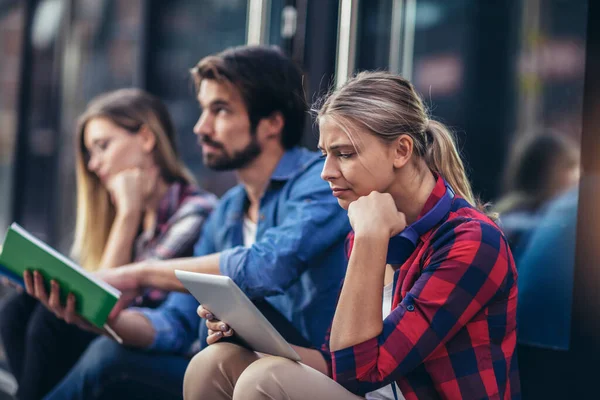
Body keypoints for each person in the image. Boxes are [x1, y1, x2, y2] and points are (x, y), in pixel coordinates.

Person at [28, 46, 350, 400]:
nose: (201, 127)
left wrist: (141, 273)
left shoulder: (320, 184)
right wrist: (107, 321)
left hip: (314, 374)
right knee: (53, 323)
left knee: (110, 361)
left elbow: (267, 266)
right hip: (232, 368)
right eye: (203, 110)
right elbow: (177, 324)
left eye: (221, 110)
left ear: (273, 122)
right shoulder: (227, 212)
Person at [183, 71, 521, 400]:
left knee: (265, 380)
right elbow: (337, 362)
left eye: (344, 154)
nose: (326, 173)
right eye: (324, 154)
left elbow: (358, 373)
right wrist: (250, 335)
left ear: (401, 151)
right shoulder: (365, 225)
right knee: (214, 363)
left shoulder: (470, 241)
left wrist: (370, 239)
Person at [0, 88, 217, 400]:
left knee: (52, 322)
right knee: (18, 309)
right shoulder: (137, 218)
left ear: (146, 138)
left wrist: (127, 215)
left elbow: (105, 302)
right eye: (90, 153)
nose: (93, 164)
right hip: (119, 336)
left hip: (159, 350)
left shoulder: (195, 212)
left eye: (103, 146)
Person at [494, 133, 580, 261]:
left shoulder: (506, 215)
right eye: (569, 167)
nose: (576, 176)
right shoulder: (524, 227)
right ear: (546, 173)